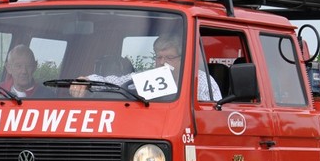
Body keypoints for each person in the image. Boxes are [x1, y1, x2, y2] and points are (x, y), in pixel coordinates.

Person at [70, 34, 222, 101]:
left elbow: (215, 114)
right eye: (159, 57)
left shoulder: (201, 80)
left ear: (183, 59)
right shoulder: (150, 77)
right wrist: (87, 80)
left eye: (169, 57)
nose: (162, 63)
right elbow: (116, 82)